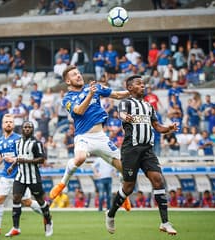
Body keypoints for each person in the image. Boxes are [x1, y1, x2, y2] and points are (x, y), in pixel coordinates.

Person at [49, 65, 132, 211]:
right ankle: (62, 183)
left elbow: (117, 95)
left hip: (101, 137)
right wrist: (90, 95)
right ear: (68, 81)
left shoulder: (94, 87)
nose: (79, 75)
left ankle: (122, 194)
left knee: (125, 169)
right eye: (74, 75)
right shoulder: (67, 98)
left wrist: (132, 91)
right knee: (80, 158)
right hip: (84, 137)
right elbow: (79, 111)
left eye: (79, 73)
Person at [105, 75, 178, 235]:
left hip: (147, 150)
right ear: (130, 88)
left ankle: (165, 222)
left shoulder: (149, 106)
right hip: (131, 150)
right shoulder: (126, 103)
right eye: (139, 84)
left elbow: (157, 126)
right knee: (129, 188)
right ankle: (111, 214)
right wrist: (126, 117)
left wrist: (169, 128)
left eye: (143, 83)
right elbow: (121, 115)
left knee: (158, 181)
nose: (142, 85)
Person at [0, 114, 42, 236]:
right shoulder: (0, 140)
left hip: (19, 176)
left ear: (14, 124)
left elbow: (25, 156)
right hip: (6, 176)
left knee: (27, 202)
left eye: (10, 122)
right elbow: (1, 155)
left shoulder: (19, 139)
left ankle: (46, 213)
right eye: (6, 122)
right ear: (3, 125)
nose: (8, 124)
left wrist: (14, 159)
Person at [3, 121, 53, 237]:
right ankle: (16, 228)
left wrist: (27, 161)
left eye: (29, 127)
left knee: (41, 201)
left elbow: (41, 159)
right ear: (21, 129)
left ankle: (49, 222)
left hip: (33, 177)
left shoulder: (36, 143)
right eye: (25, 127)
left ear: (32, 129)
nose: (27, 129)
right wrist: (12, 166)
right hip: (20, 177)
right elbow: (19, 158)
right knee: (16, 198)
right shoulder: (18, 142)